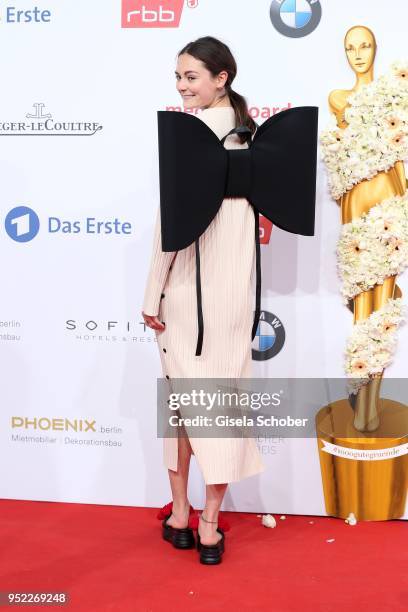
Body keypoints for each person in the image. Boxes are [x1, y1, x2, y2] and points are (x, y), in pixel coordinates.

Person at [142, 36, 266, 564]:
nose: (181, 85)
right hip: (234, 303)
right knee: (222, 410)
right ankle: (208, 526)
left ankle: (179, 515)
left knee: (181, 408)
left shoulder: (191, 140)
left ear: (222, 78)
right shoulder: (255, 143)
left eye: (191, 76)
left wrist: (152, 295)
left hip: (187, 300)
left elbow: (168, 230)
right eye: (178, 76)